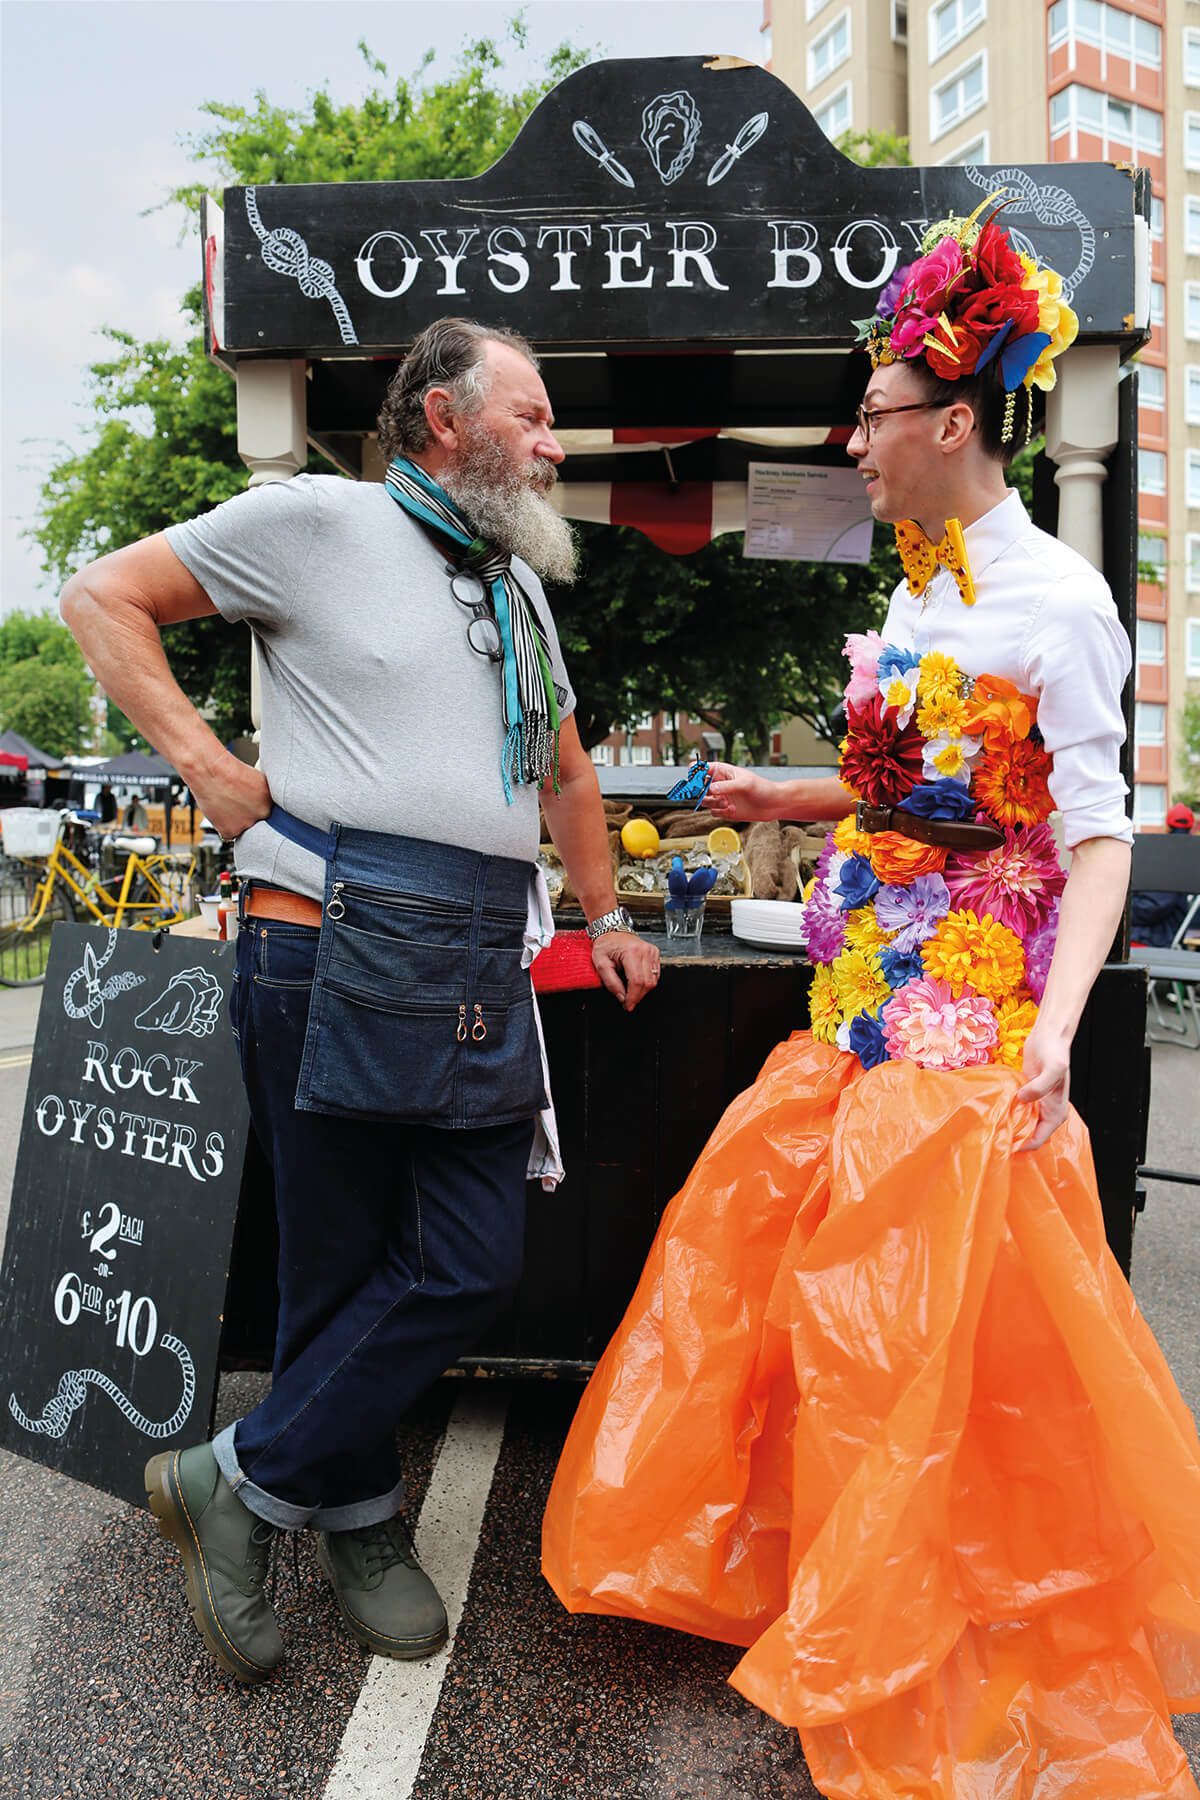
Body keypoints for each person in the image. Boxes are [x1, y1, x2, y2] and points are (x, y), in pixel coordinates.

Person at [543, 215, 1200, 1797]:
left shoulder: (1060, 603)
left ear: (953, 423)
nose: (854, 443)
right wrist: (785, 791)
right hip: (862, 1016)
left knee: (926, 1358)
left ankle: (926, 1629)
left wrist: (1054, 1032)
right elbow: (906, 795)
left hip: (973, 1050)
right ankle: (823, 1593)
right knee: (812, 1321)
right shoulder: (912, 594)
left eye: (874, 416)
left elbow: (1096, 837)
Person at [61, 317, 660, 1685]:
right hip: (325, 943)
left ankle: (235, 1482)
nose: (556, 444)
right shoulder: (318, 520)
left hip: (472, 957)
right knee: (332, 1266)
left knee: (470, 1262)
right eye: (533, 414)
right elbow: (101, 597)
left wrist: (610, 914)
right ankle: (360, 1522)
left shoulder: (517, 587)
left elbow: (567, 775)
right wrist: (211, 771)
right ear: (443, 417)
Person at [1131, 801, 1196, 948]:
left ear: (1167, 827)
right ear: (1191, 828)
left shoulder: (1167, 857)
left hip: (1150, 939)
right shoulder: (1189, 856)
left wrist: (1122, 909)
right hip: (1166, 935)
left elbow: (1153, 907)